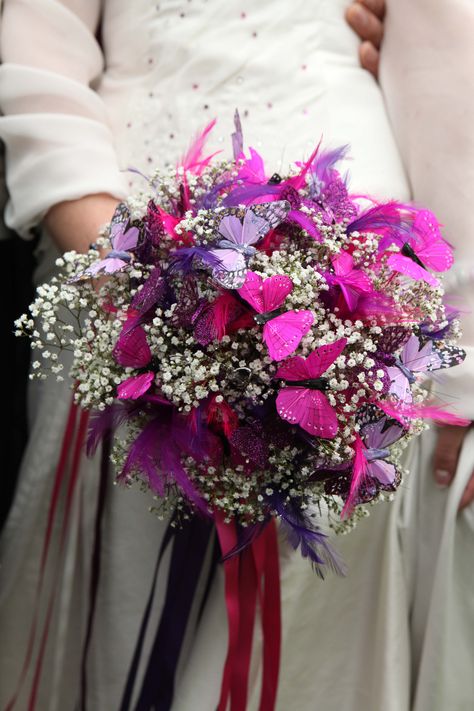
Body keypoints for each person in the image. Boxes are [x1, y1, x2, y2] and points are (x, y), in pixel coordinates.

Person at [0, 2, 471, 711]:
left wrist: (460, 359)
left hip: (352, 306)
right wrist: (143, 288)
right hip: (122, 255)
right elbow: (39, 55)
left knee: (311, 638)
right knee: (128, 611)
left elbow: (447, 79)